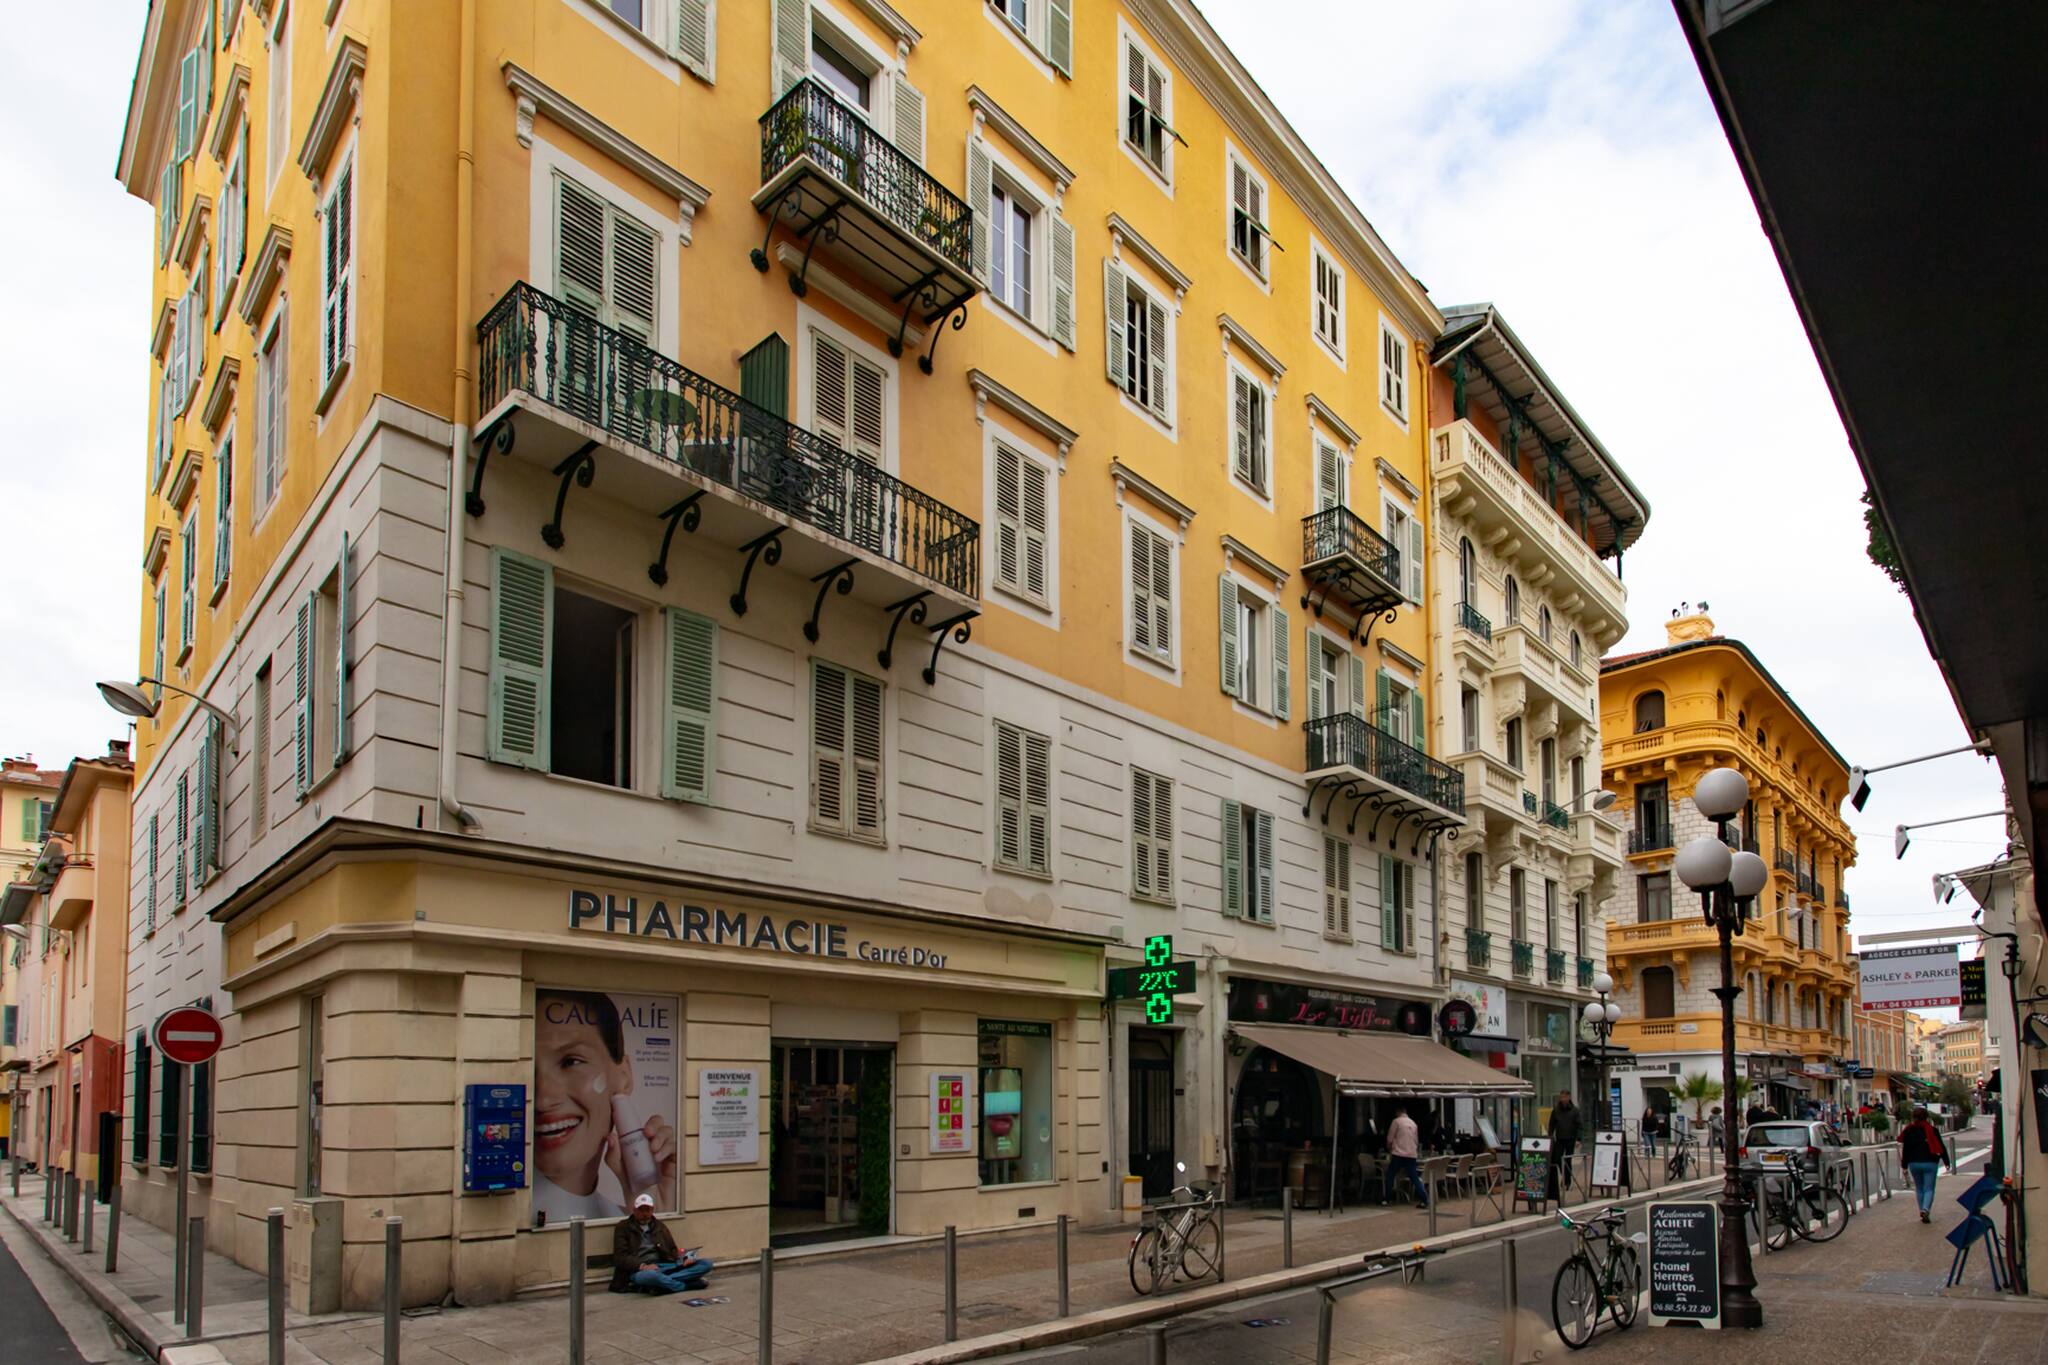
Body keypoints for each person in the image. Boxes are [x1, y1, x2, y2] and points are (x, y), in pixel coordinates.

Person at [534, 989, 679, 1223]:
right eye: (527, 1067)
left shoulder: (624, 1216)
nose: (543, 1099)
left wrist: (655, 1210)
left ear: (623, 1077)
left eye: (571, 1061)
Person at [612, 1193, 714, 1293]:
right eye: (641, 1210)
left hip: (663, 1266)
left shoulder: (659, 1226)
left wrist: (685, 1258)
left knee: (706, 1263)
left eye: (648, 1210)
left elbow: (672, 1250)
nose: (645, 1214)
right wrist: (643, 1266)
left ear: (652, 1210)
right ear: (634, 1210)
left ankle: (662, 1284)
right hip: (639, 1270)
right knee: (652, 1276)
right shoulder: (623, 1227)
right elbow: (620, 1257)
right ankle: (685, 1286)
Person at [1898, 1106, 1954, 1223]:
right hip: (1930, 1162)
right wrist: (1946, 1161)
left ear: (1913, 1117)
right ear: (1927, 1117)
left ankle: (1922, 1211)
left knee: (1919, 1188)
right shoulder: (1932, 1130)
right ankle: (1925, 1209)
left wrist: (1904, 1165)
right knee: (1929, 1189)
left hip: (1914, 1163)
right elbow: (1941, 1147)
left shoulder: (1908, 1131)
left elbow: (1906, 1150)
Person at [1383, 1106, 1427, 1208]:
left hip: (1398, 1153)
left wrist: (1389, 1148)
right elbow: (1416, 1140)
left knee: (1390, 1175)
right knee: (1414, 1177)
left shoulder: (1396, 1122)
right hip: (1411, 1154)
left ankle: (1387, 1199)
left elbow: (1390, 1138)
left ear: (1398, 1112)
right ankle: (1424, 1199)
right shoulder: (1413, 1123)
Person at [1547, 1093, 1581, 1196]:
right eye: (1562, 1097)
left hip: (1570, 1139)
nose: (1563, 1099)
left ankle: (1567, 1181)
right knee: (1557, 1158)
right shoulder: (1556, 1110)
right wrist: (1550, 1136)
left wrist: (1578, 1139)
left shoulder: (1574, 1111)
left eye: (1565, 1097)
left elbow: (1579, 1125)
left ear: (1569, 1098)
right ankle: (1565, 1176)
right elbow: (1551, 1124)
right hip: (1559, 1139)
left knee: (1567, 1160)